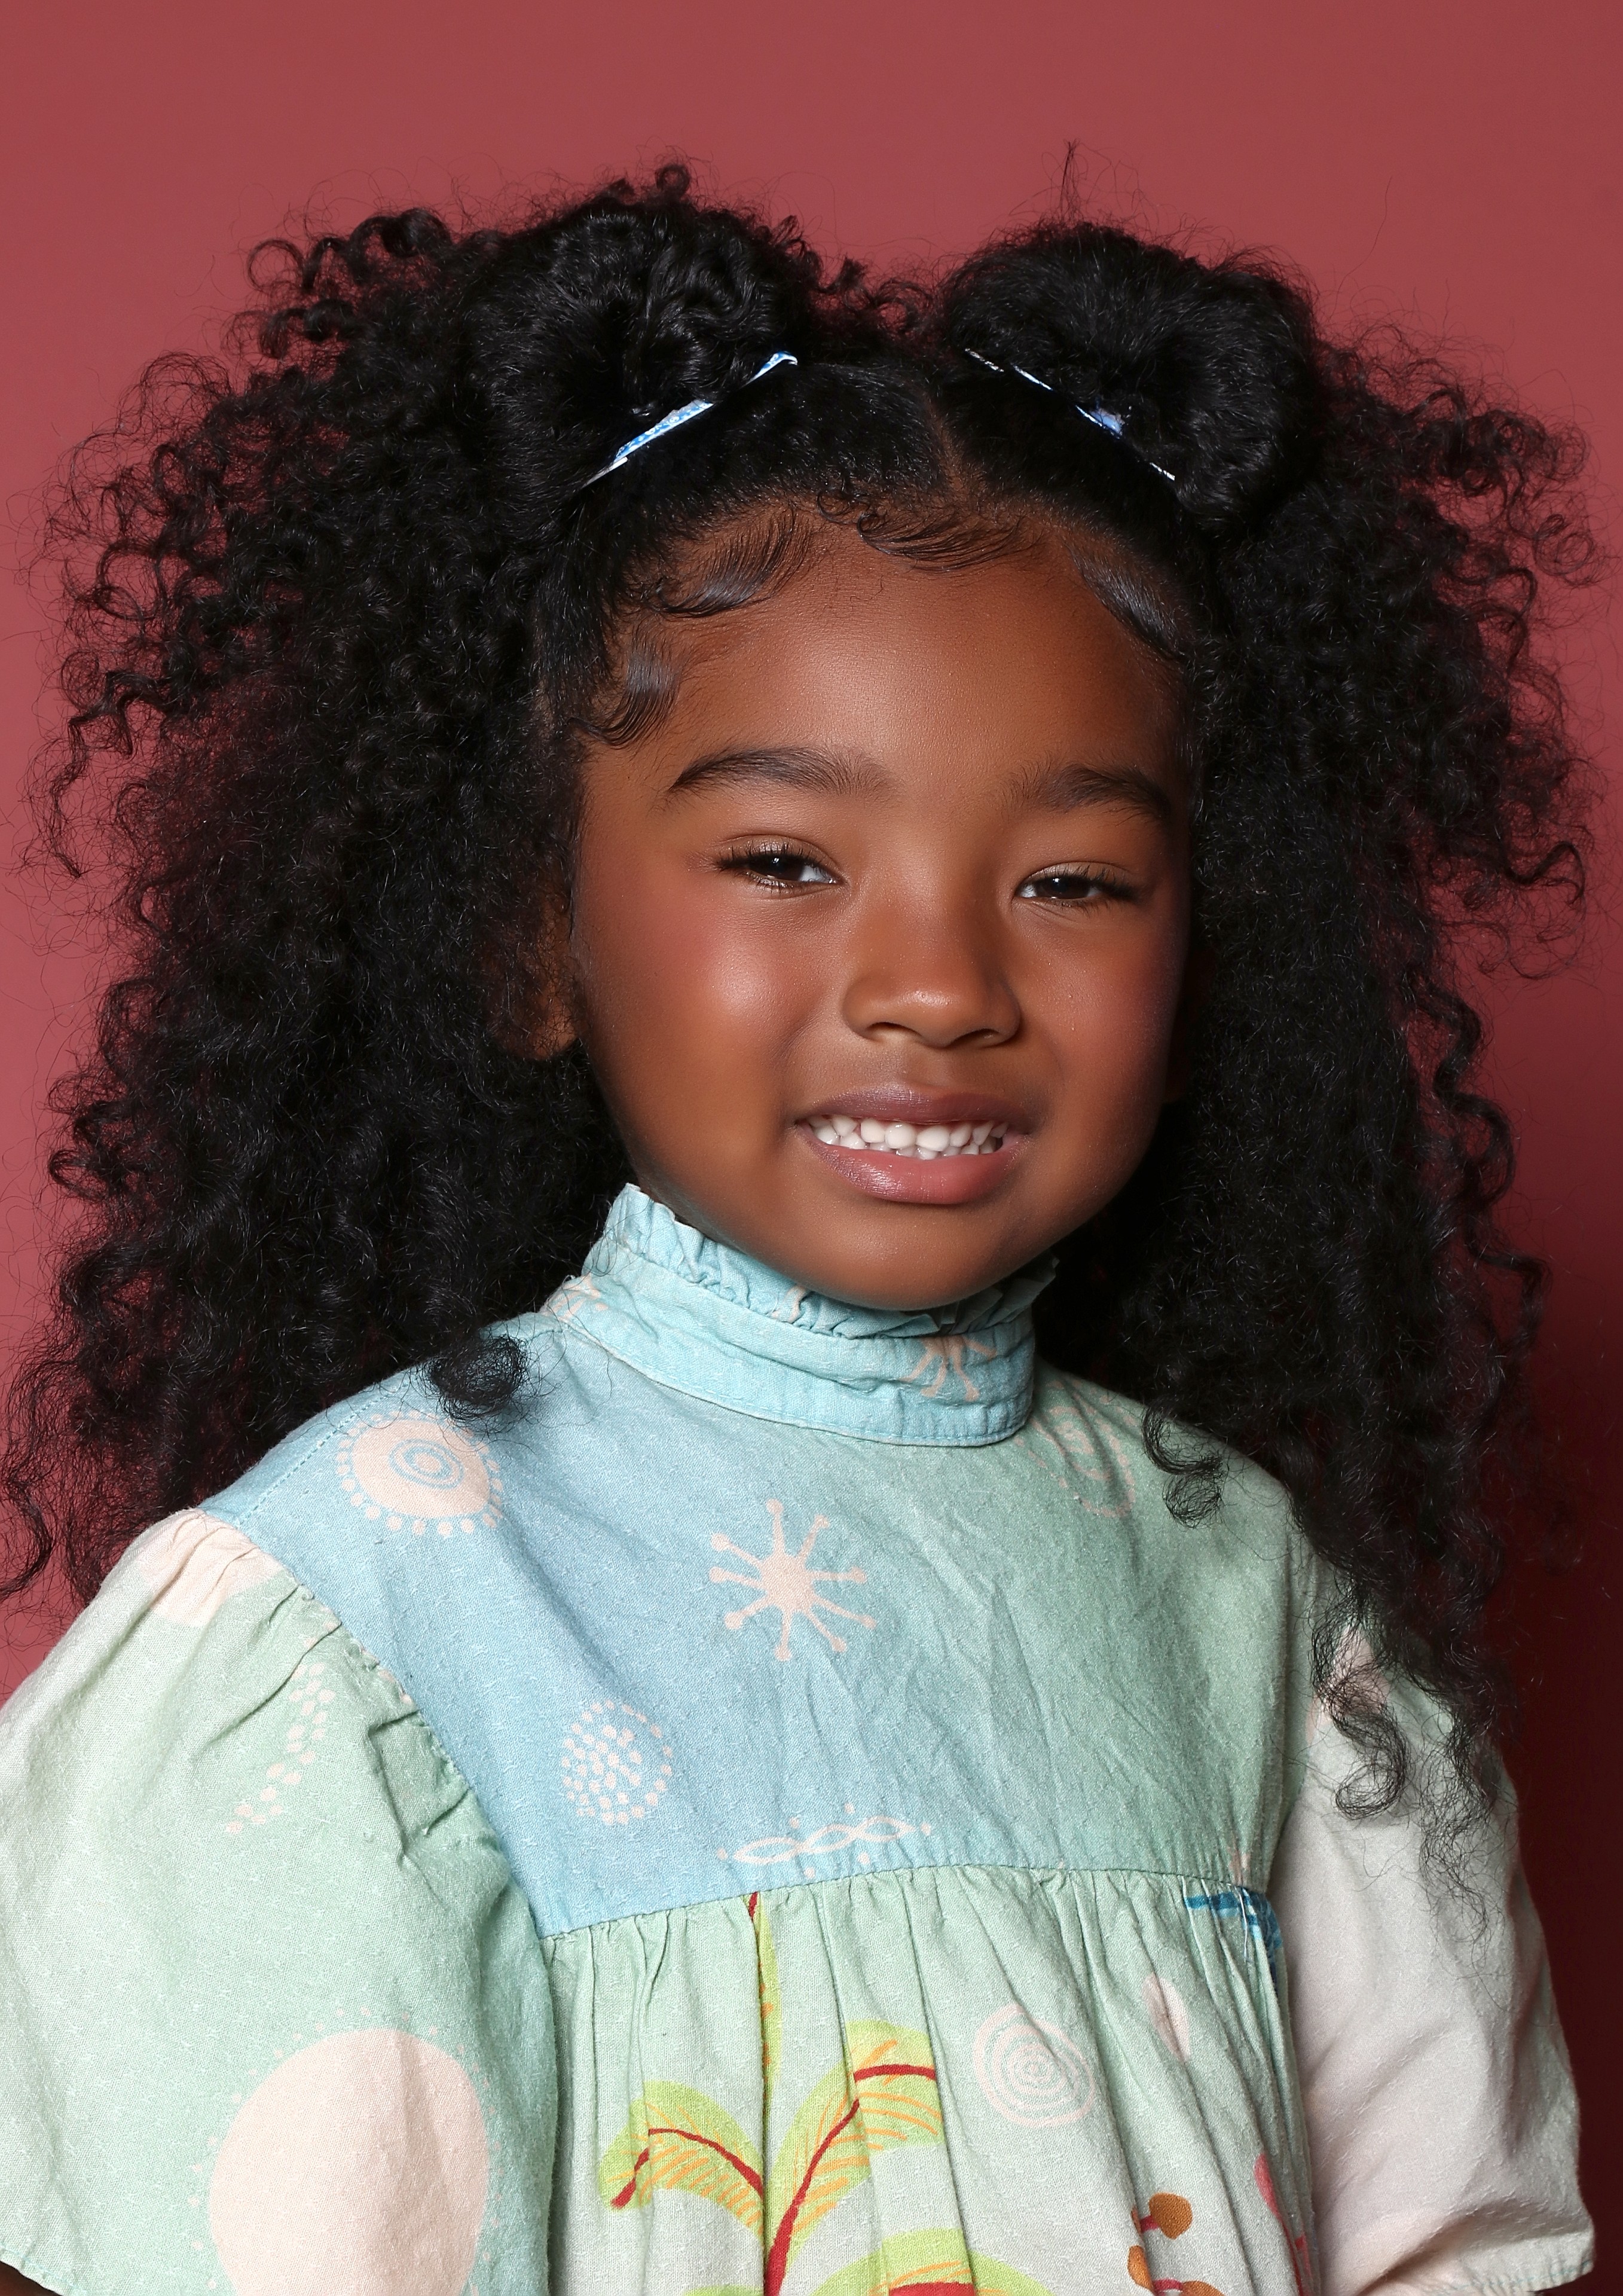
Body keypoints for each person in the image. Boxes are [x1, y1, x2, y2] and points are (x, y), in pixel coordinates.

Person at [0, 169, 1597, 2296]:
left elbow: (1451, 2244)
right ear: (529, 933)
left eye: (1072, 882)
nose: (935, 984)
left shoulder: (1255, 1606)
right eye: (782, 858)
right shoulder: (354, 1625)